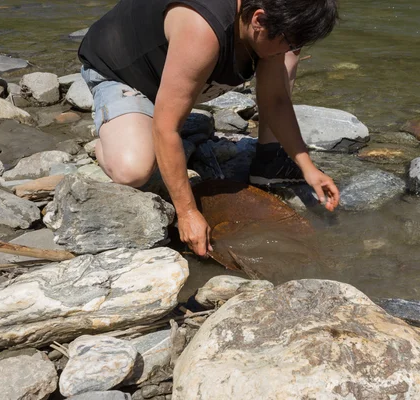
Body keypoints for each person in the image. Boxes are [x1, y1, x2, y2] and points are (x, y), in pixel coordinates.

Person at [78, 0, 341, 257]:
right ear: (259, 19)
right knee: (133, 170)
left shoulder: (265, 24)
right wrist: (188, 212)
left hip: (176, 72)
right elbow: (167, 128)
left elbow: (276, 100)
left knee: (285, 59)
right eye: (291, 41)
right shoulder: (202, 27)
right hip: (122, 74)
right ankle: (109, 133)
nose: (293, 48)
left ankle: (269, 159)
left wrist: (307, 167)